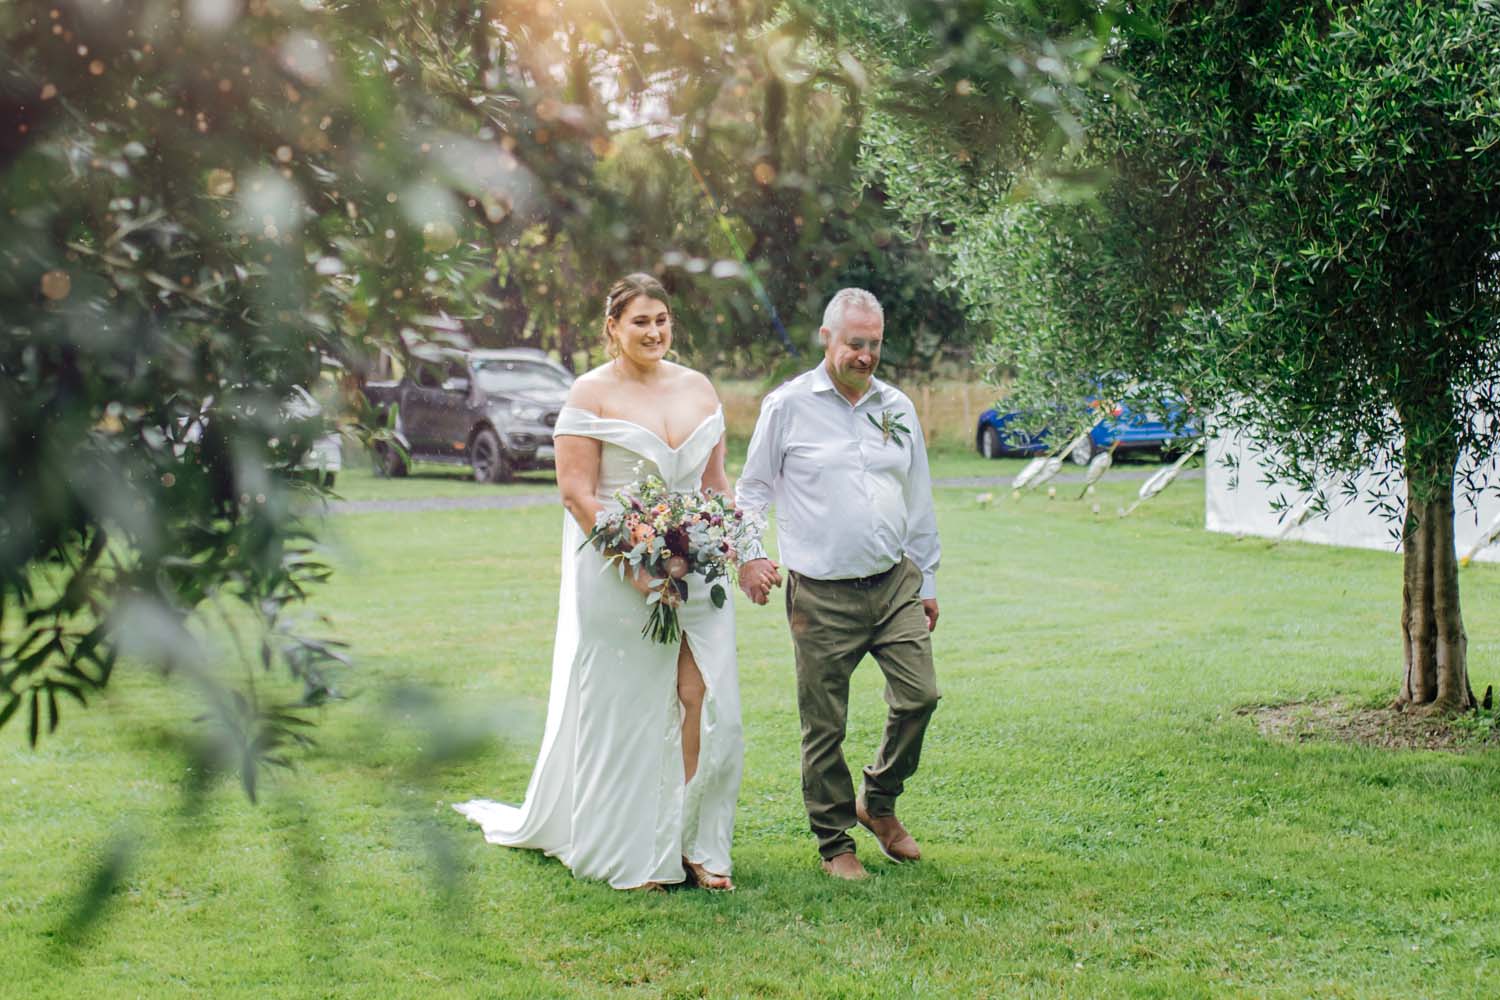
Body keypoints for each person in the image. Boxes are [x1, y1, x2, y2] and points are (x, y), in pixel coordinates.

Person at [454, 273, 742, 891]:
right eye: (640, 321)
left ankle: (695, 842)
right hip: (615, 572)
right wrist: (636, 566)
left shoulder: (697, 386)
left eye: (662, 319)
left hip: (697, 568)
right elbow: (576, 493)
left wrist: (734, 546)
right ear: (612, 328)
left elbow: (716, 485)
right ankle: (631, 854)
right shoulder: (589, 392)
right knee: (629, 707)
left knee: (707, 700)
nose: (654, 331)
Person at [735, 287, 941, 881]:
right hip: (821, 594)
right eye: (856, 343)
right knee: (825, 723)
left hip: (894, 581)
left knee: (919, 696)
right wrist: (751, 556)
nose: (867, 355)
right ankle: (834, 844)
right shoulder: (788, 406)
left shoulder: (897, 407)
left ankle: (878, 801)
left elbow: (918, 497)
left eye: (875, 344)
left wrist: (926, 580)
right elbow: (752, 491)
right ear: (827, 338)